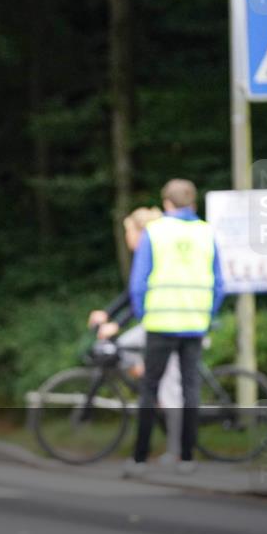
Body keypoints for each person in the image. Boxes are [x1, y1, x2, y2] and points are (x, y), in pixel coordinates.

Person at [125, 179, 224, 477]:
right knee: (190, 389)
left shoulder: (155, 232)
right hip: (194, 323)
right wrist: (207, 315)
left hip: (160, 322)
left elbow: (138, 282)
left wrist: (144, 314)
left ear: (167, 203)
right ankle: (186, 457)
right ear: (192, 201)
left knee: (149, 389)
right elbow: (219, 283)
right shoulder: (207, 232)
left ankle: (140, 459)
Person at [87, 206, 184, 465]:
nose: (126, 236)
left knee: (170, 390)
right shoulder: (145, 253)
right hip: (153, 324)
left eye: (128, 230)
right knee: (121, 349)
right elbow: (132, 294)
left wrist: (116, 324)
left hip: (168, 323)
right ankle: (141, 369)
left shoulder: (155, 252)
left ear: (141, 231)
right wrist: (107, 315)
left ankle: (177, 451)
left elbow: (140, 296)